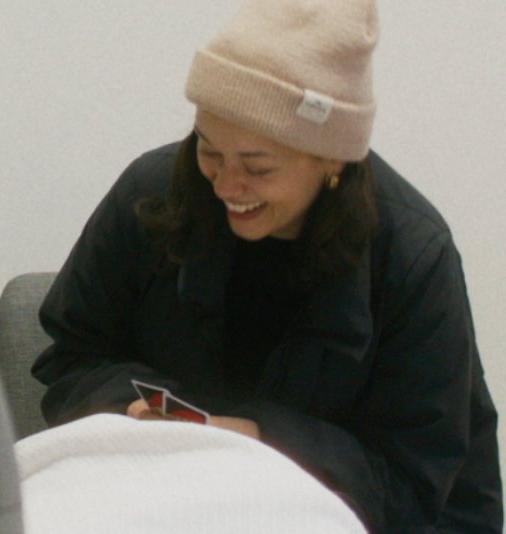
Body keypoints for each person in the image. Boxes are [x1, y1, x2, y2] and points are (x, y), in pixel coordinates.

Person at [30, 0, 502, 531]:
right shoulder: (152, 197)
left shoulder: (413, 258)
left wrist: (257, 438)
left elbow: (412, 485)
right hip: (179, 498)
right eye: (208, 150)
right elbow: (70, 358)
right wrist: (134, 409)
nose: (226, 186)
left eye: (258, 167)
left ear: (331, 161)